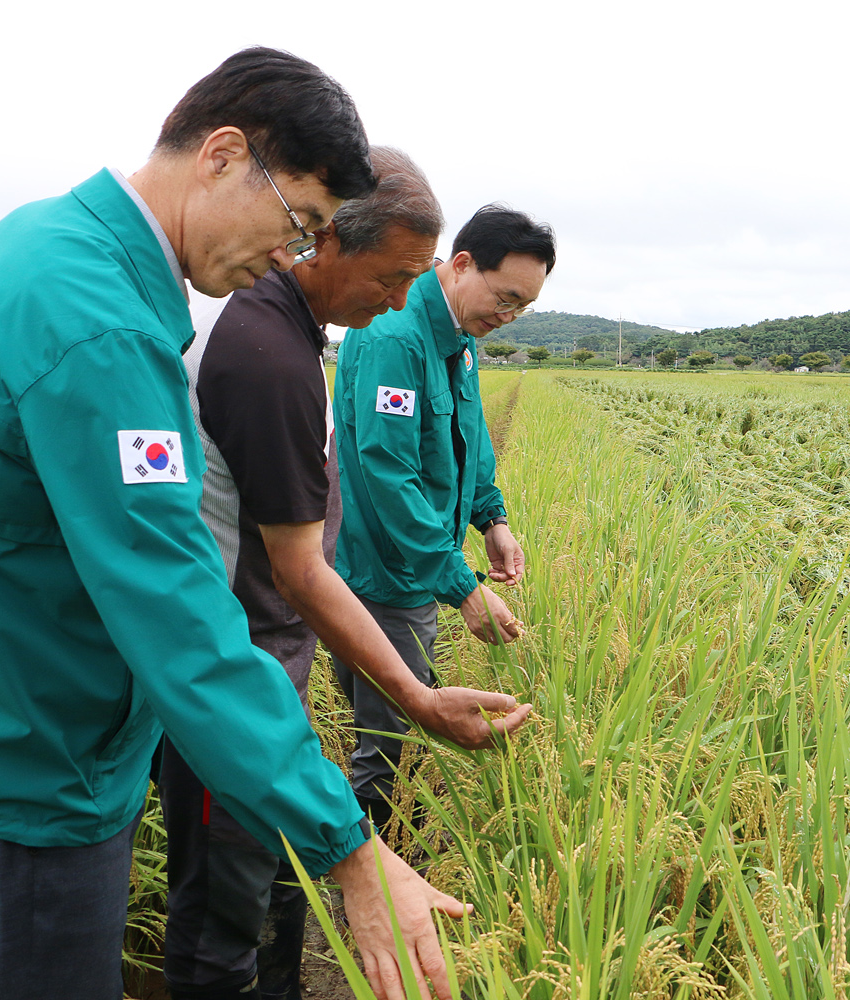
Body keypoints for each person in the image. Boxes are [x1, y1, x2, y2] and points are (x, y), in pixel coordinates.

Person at [0, 48, 463, 1000]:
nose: (292, 257)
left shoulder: (45, 244)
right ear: (223, 154)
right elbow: (178, 611)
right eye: (298, 222)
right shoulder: (99, 322)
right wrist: (346, 844)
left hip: (7, 710)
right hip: (29, 765)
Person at [167, 147, 533, 1000]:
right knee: (227, 916)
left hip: (263, 668)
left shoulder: (308, 338)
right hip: (233, 671)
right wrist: (419, 680)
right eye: (394, 275)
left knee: (267, 887)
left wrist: (491, 517)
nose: (403, 298)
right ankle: (361, 865)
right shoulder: (272, 352)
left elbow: (462, 446)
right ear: (327, 237)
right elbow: (310, 556)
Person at [333, 205, 555, 820]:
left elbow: (470, 433)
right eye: (505, 298)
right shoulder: (395, 335)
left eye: (522, 309)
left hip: (414, 569)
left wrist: (493, 519)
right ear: (461, 265)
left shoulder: (460, 334)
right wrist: (463, 588)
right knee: (389, 737)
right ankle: (370, 881)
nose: (506, 318)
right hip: (382, 574)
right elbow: (388, 474)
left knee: (394, 722)